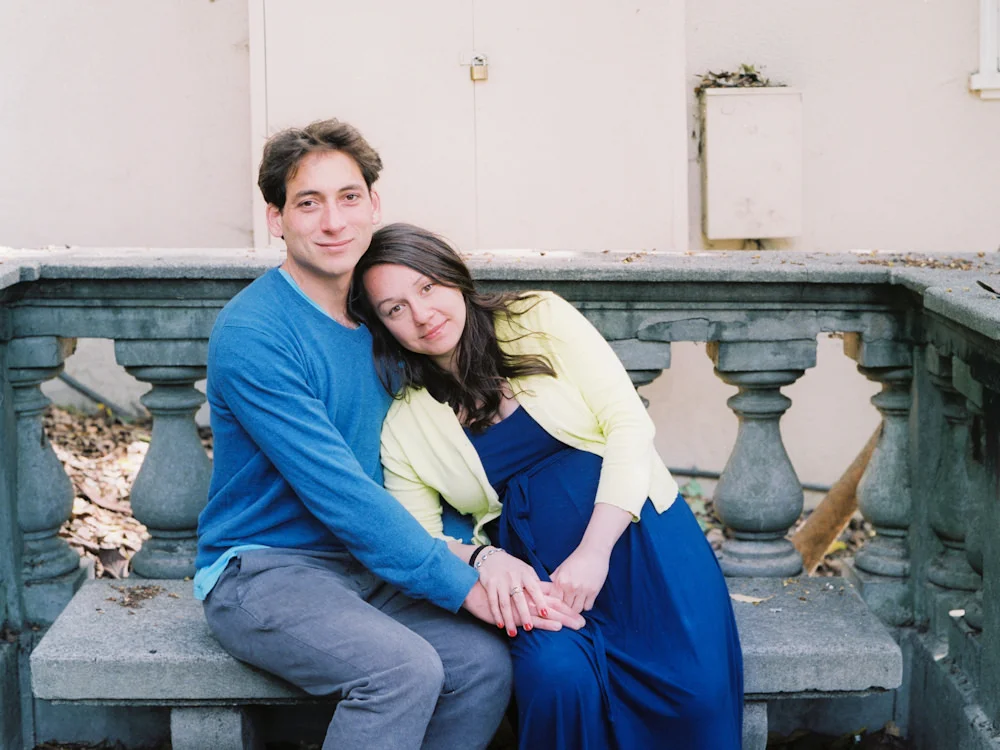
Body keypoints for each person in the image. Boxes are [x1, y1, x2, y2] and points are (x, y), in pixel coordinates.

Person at [194, 119, 579, 750]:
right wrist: (462, 582)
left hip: (368, 566)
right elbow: (340, 492)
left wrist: (477, 554)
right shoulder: (255, 332)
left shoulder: (382, 317)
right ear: (275, 219)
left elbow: (419, 459)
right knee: (400, 671)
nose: (333, 222)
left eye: (348, 197)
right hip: (265, 571)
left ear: (373, 204)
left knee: (481, 668)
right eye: (308, 203)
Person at [352, 222, 745, 750]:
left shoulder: (538, 318)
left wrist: (594, 552)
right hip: (540, 591)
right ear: (383, 327)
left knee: (694, 699)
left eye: (427, 286)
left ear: (454, 276)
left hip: (639, 544)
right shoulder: (405, 423)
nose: (422, 314)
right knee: (557, 680)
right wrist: (484, 560)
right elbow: (416, 539)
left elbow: (628, 424)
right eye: (395, 308)